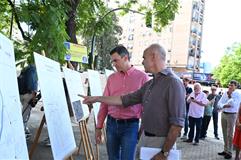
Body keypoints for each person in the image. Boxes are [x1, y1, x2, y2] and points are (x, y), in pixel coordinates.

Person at [81, 44, 186, 160]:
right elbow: (124, 99)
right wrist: (96, 98)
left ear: (153, 56)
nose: (142, 62)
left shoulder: (173, 83)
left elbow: (177, 124)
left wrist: (164, 152)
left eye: (144, 58)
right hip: (145, 138)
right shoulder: (150, 84)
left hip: (159, 142)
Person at [95, 45, 149, 160]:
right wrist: (98, 127)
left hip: (131, 126)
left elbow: (146, 107)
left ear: (125, 58)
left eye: (115, 60)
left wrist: (142, 129)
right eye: (112, 61)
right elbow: (104, 103)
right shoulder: (111, 78)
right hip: (111, 125)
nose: (113, 64)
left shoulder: (142, 78)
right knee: (113, 158)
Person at [218, 80, 241, 159]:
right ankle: (225, 150)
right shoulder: (225, 93)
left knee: (230, 134)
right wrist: (224, 105)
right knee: (224, 133)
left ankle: (230, 152)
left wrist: (230, 96)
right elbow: (219, 103)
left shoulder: (238, 94)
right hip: (224, 114)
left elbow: (234, 105)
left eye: (232, 85)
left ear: (236, 86)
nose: (230, 87)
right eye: (229, 85)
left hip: (232, 115)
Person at [19, 57, 38, 140]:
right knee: (25, 115)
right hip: (28, 94)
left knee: (23, 113)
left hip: (21, 94)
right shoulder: (33, 70)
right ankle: (22, 132)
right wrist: (34, 93)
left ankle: (24, 130)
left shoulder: (25, 69)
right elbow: (31, 83)